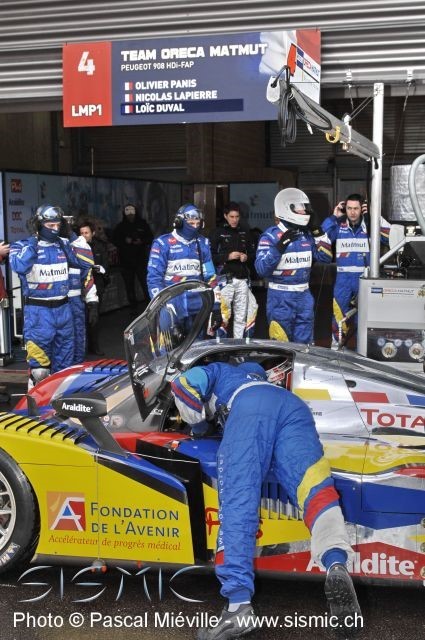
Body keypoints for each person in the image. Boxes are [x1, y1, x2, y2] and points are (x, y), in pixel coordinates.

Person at [171, 362, 361, 640]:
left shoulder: (221, 371)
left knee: (237, 502)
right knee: (316, 488)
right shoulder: (267, 384)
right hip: (294, 408)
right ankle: (335, 560)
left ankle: (237, 606)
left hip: (249, 409)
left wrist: (198, 426)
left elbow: (183, 384)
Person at [9, 205, 89, 388]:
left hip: (64, 311)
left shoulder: (64, 244)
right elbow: (20, 266)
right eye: (50, 225)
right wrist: (34, 242)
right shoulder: (22, 245)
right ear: (38, 225)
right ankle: (35, 403)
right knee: (40, 372)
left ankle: (60, 402)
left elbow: (86, 263)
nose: (55, 229)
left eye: (58, 225)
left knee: (65, 370)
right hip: (38, 313)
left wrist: (72, 236)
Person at [255, 188, 332, 344]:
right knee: (281, 345)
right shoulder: (270, 236)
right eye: (299, 207)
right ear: (285, 208)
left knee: (305, 346)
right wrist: (278, 248)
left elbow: (325, 258)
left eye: (304, 207)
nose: (304, 211)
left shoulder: (306, 234)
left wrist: (318, 232)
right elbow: (261, 269)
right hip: (280, 297)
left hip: (304, 295)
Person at [322, 194, 390, 348]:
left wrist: (375, 216)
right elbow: (321, 238)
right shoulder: (338, 226)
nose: (352, 212)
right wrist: (333, 217)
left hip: (365, 278)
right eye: (349, 208)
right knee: (339, 314)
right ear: (344, 209)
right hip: (343, 279)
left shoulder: (371, 226)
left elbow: (390, 236)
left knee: (365, 317)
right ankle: (337, 349)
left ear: (362, 209)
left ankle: (363, 350)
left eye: (356, 208)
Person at [147, 204, 222, 336]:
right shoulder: (162, 244)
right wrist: (163, 307)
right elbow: (154, 279)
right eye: (191, 223)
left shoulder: (203, 243)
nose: (195, 226)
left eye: (197, 223)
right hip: (171, 305)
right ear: (179, 222)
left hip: (197, 305)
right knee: (169, 346)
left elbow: (210, 277)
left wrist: (216, 307)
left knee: (197, 346)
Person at [210, 202, 258, 338]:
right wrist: (228, 256)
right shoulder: (217, 233)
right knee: (223, 316)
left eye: (237, 216)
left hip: (242, 280)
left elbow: (254, 255)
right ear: (225, 216)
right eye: (231, 216)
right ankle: (220, 346)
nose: (234, 220)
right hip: (224, 281)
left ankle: (239, 346)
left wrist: (246, 257)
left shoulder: (245, 232)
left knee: (241, 316)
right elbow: (210, 257)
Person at [112, 204, 153, 310]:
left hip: (140, 261)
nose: (130, 215)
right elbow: (114, 240)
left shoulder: (142, 224)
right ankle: (133, 309)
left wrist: (141, 241)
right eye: (128, 213)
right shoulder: (120, 227)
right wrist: (125, 241)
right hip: (126, 262)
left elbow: (150, 237)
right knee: (129, 286)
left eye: (132, 213)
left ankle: (151, 308)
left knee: (145, 285)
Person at [79, 221, 110, 355]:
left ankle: (94, 346)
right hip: (81, 286)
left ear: (93, 233)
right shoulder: (75, 246)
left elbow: (106, 265)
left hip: (97, 284)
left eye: (86, 233)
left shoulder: (100, 246)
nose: (84, 235)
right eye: (81, 233)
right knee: (81, 317)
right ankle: (83, 347)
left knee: (94, 317)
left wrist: (101, 270)